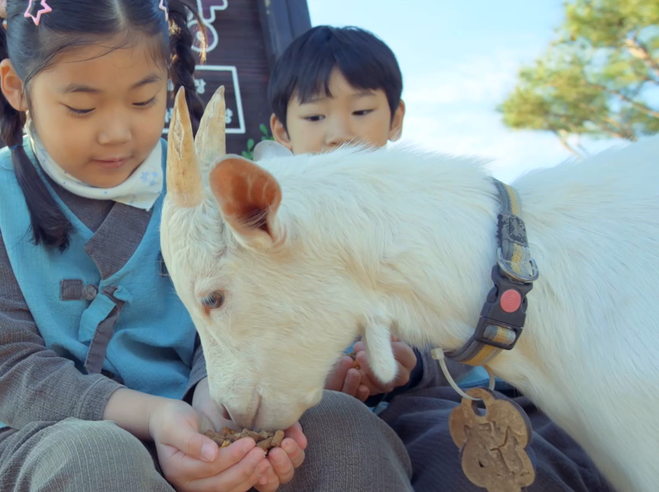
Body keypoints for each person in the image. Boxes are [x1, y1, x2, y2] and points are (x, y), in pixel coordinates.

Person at [0, 0, 414, 492]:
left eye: (144, 101)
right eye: (82, 106)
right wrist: (153, 416)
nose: (117, 132)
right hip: (46, 433)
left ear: (167, 78)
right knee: (99, 461)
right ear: (15, 86)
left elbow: (231, 314)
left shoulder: (203, 179)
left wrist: (211, 406)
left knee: (339, 428)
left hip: (197, 407)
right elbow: (3, 367)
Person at [261, 24, 615, 491]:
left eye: (362, 110)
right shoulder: (267, 230)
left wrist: (415, 362)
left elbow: (476, 316)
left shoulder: (430, 214)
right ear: (281, 131)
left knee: (545, 446)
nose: (339, 133)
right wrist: (317, 373)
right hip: (344, 417)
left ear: (396, 119)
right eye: (314, 118)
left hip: (449, 397)